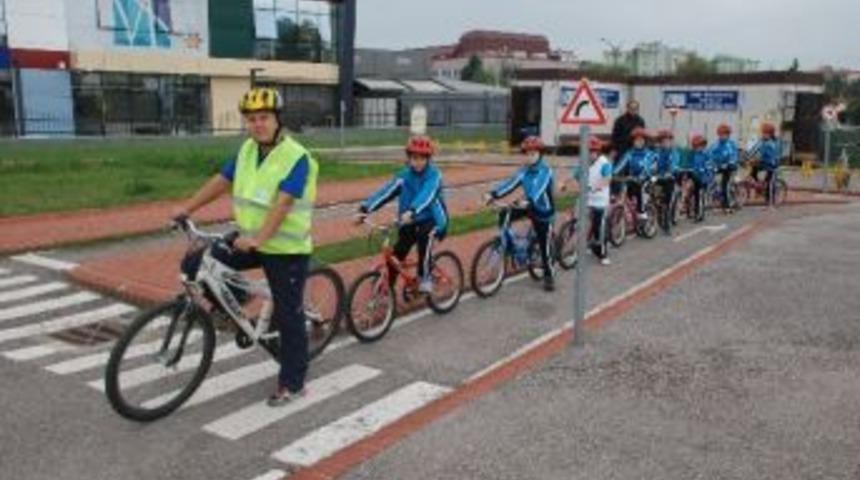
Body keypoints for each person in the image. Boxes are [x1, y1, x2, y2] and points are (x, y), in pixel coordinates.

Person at [173, 87, 318, 406]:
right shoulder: (247, 151)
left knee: (289, 315)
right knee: (195, 263)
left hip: (285, 249)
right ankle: (235, 305)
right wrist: (188, 208)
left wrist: (259, 240)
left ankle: (294, 383)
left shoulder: (297, 157)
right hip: (250, 240)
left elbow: (283, 204)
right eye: (251, 119)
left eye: (264, 117)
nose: (257, 124)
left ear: (278, 120)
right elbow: (221, 181)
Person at [356, 136, 448, 293]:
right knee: (397, 253)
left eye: (422, 158)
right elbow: (385, 193)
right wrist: (365, 209)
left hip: (433, 219)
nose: (417, 162)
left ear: (428, 159)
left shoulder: (434, 175)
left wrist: (412, 210)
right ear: (409, 158)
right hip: (409, 220)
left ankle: (425, 278)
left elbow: (427, 195)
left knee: (424, 240)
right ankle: (387, 289)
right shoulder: (403, 176)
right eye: (414, 158)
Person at [484, 135, 556, 292]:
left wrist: (529, 200)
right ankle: (508, 244)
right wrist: (493, 194)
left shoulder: (546, 171)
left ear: (540, 154)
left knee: (544, 244)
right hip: (527, 205)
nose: (529, 157)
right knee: (505, 213)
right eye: (527, 154)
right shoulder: (524, 171)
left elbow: (539, 188)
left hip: (543, 209)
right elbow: (510, 183)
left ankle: (549, 274)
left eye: (533, 154)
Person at [613, 127, 656, 219]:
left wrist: (643, 176)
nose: (639, 142)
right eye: (636, 140)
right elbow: (621, 164)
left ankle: (641, 211)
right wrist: (613, 173)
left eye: (641, 140)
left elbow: (648, 168)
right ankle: (628, 210)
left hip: (646, 179)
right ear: (633, 141)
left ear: (645, 141)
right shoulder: (629, 153)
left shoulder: (649, 154)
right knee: (623, 186)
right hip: (632, 178)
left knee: (640, 189)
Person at [586, 137, 613, 266]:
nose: (591, 154)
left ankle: (603, 254)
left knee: (599, 227)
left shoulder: (604, 163)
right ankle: (588, 244)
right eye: (589, 151)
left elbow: (607, 178)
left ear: (598, 152)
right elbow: (575, 175)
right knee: (582, 221)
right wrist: (564, 183)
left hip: (600, 201)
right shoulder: (584, 162)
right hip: (587, 199)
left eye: (593, 152)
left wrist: (598, 186)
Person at [747, 122, 781, 206]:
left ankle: (770, 202)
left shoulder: (772, 143)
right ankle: (759, 187)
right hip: (763, 162)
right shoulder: (761, 141)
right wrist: (748, 155)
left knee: (769, 182)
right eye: (763, 133)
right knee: (752, 171)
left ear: (770, 134)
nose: (764, 135)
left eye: (766, 133)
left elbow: (772, 156)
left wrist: (757, 159)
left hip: (772, 164)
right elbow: (754, 149)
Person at [709, 123, 740, 213]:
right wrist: (709, 162)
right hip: (719, 166)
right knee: (711, 178)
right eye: (721, 134)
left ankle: (727, 206)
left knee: (725, 185)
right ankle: (714, 197)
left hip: (730, 167)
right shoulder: (716, 144)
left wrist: (731, 162)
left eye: (725, 134)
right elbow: (710, 154)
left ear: (728, 135)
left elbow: (734, 155)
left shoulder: (731, 144)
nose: (723, 136)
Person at [655, 129, 680, 231]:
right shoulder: (657, 152)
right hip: (658, 178)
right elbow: (651, 162)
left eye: (667, 141)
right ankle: (656, 213)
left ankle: (667, 222)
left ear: (671, 141)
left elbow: (674, 163)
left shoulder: (673, 152)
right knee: (654, 196)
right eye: (662, 141)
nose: (665, 143)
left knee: (668, 200)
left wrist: (671, 171)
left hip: (669, 178)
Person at [689, 134, 715, 222]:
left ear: (703, 145)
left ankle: (699, 214)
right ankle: (694, 211)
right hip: (695, 178)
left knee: (700, 196)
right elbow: (690, 165)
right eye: (695, 146)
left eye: (700, 146)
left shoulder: (706, 154)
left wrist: (705, 171)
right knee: (694, 195)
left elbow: (709, 166)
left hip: (703, 178)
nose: (698, 148)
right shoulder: (693, 155)